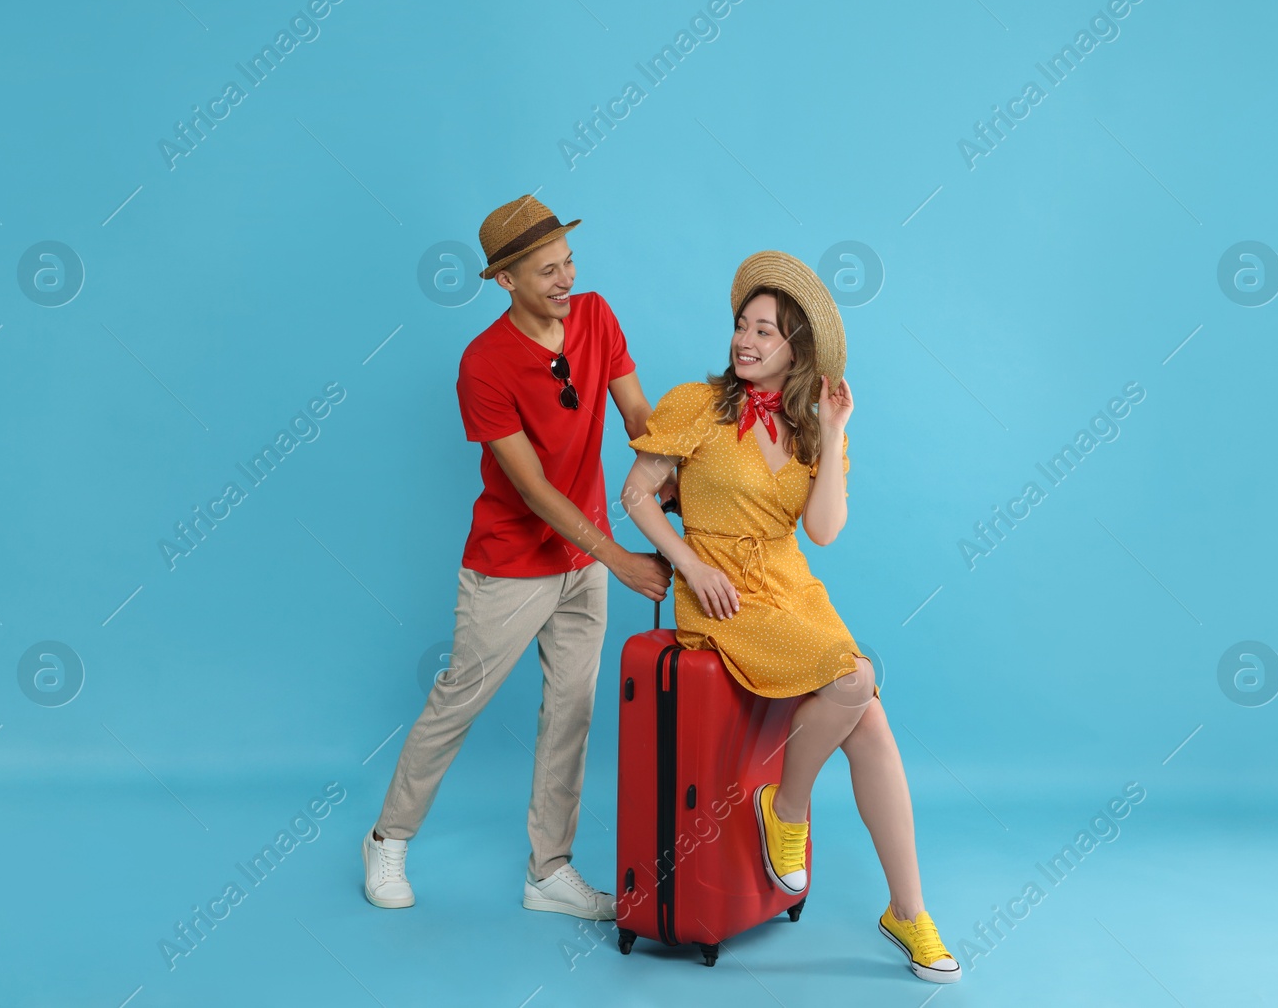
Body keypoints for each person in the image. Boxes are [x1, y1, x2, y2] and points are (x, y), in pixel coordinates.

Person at [618, 251, 960, 983]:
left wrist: (834, 434)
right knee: (856, 677)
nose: (746, 340)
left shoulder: (808, 430)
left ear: (795, 349)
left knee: (868, 718)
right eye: (742, 325)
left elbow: (826, 530)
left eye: (765, 331)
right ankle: (790, 808)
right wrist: (691, 563)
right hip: (722, 596)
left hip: (789, 588)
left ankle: (908, 908)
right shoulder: (695, 405)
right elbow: (638, 494)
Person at [364, 196, 672, 920]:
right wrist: (623, 560)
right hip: (510, 564)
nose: (565, 278)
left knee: (571, 711)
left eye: (568, 262)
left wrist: (676, 472)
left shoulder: (597, 315)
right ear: (505, 279)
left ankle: (549, 871)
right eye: (546, 271)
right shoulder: (483, 364)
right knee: (457, 703)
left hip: (583, 560)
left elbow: (637, 418)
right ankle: (388, 837)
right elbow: (531, 488)